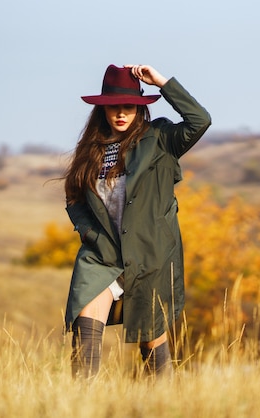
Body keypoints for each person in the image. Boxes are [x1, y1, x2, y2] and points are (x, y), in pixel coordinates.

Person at [63, 64, 211, 378]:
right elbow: (74, 196)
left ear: (139, 107)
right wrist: (89, 233)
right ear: (102, 109)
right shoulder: (91, 151)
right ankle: (79, 406)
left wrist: (162, 82)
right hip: (103, 256)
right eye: (114, 106)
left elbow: (200, 120)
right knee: (85, 330)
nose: (121, 113)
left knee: (152, 346)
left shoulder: (160, 138)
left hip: (150, 256)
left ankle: (162, 406)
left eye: (128, 106)